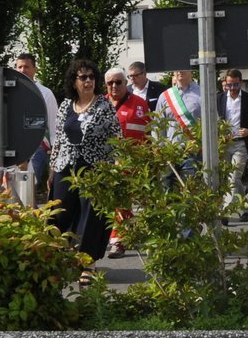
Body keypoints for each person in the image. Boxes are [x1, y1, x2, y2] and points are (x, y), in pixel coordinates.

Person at [50, 59, 120, 268]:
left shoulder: (104, 105)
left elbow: (117, 138)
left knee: (91, 217)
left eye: (91, 77)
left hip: (94, 168)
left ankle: (87, 265)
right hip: (65, 167)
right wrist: (52, 170)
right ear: (74, 82)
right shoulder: (65, 106)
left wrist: (116, 168)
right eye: (83, 77)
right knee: (58, 214)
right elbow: (59, 140)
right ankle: (56, 258)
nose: (88, 81)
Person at [105, 67, 151, 253]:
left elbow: (148, 134)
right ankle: (118, 240)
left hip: (136, 163)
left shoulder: (140, 104)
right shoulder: (100, 105)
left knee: (138, 202)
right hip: (108, 165)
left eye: (118, 82)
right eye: (110, 83)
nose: (114, 86)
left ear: (126, 83)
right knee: (118, 202)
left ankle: (128, 235)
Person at [218, 68, 248, 220]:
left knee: (233, 176)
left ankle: (225, 212)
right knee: (229, 178)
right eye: (229, 85)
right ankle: (245, 208)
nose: (232, 89)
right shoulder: (220, 98)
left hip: (241, 144)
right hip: (224, 144)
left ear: (241, 83)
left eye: (235, 85)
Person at [13, 52, 59, 199]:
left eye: (26, 66)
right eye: (19, 67)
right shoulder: (8, 92)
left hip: (37, 147)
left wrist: (55, 153)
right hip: (12, 147)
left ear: (34, 69)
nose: (22, 70)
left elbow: (53, 125)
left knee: (28, 188)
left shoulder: (46, 94)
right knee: (11, 191)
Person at [158, 69, 202, 144]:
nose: (179, 71)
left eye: (183, 67)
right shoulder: (164, 96)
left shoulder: (203, 93)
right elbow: (159, 126)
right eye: (177, 67)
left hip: (197, 149)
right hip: (172, 150)